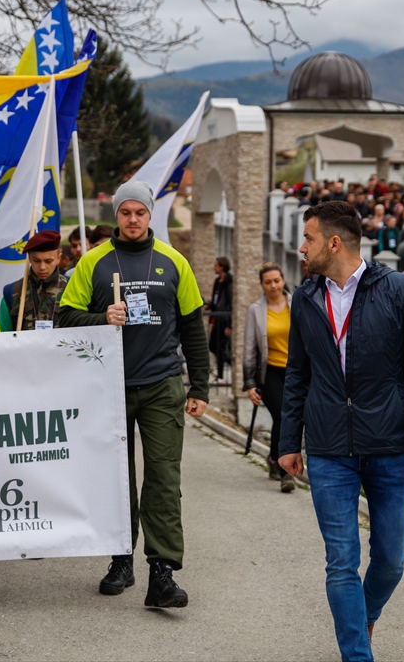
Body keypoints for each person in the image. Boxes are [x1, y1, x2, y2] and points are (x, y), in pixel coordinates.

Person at [278, 200, 404, 662]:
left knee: (392, 558)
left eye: (308, 238)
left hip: (390, 444)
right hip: (330, 449)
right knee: (341, 562)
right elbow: (297, 373)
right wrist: (289, 441)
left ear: (334, 242)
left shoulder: (399, 291)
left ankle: (362, 618)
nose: (301, 247)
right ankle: (358, 655)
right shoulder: (306, 298)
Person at [57, 180, 209, 609]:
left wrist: (199, 385)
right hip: (108, 386)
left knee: (162, 478)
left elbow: (194, 329)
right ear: (116, 217)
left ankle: (162, 573)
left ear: (149, 215)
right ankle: (120, 559)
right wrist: (101, 317)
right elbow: (65, 318)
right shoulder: (94, 262)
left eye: (140, 212)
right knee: (114, 478)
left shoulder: (173, 262)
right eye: (125, 212)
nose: (133, 219)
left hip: (162, 385)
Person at [242, 263, 295, 493]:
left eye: (277, 280)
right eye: (268, 282)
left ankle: (274, 458)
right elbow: (249, 349)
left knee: (290, 419)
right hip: (270, 372)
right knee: (283, 417)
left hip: (296, 371)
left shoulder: (297, 304)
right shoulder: (256, 310)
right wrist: (250, 383)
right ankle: (286, 473)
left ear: (283, 280)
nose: (273, 285)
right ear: (262, 285)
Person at [0, 230, 68, 332]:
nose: (42, 267)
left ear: (58, 258)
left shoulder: (71, 288)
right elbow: (3, 336)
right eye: (36, 261)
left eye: (48, 261)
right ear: (29, 258)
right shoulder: (12, 292)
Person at [207, 257, 234, 383]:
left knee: (221, 347)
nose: (214, 268)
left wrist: (230, 325)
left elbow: (230, 304)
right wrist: (208, 306)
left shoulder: (229, 282)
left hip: (224, 320)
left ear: (222, 267)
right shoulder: (217, 281)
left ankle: (223, 374)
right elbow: (215, 300)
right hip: (216, 318)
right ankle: (227, 365)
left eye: (216, 265)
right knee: (213, 346)